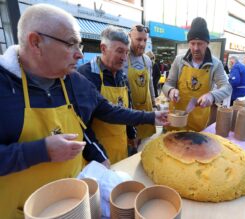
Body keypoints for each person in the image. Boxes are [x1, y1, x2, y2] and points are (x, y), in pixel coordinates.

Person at [0, 4, 168, 218]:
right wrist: (41, 150)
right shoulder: (4, 85)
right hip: (19, 210)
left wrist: (151, 116)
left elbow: (109, 111)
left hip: (74, 202)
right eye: (71, 44)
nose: (80, 55)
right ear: (36, 42)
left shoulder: (72, 82)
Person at [78, 27, 138, 164]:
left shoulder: (122, 76)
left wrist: (132, 134)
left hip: (121, 148)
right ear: (103, 48)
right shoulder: (85, 75)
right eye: (119, 51)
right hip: (97, 157)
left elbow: (127, 108)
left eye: (127, 52)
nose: (124, 57)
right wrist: (98, 156)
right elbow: (81, 125)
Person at [162, 17, 232, 132]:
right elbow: (167, 84)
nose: (195, 48)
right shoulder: (179, 61)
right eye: (192, 43)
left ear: (207, 43)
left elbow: (227, 88)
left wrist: (212, 96)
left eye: (200, 44)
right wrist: (170, 91)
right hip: (175, 119)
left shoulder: (215, 64)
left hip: (198, 122)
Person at [123, 24, 156, 143]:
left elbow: (150, 82)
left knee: (145, 145)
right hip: (129, 112)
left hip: (146, 109)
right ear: (129, 38)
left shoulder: (147, 60)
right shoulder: (123, 58)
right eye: (138, 39)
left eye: (145, 40)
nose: (142, 44)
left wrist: (154, 101)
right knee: (131, 146)